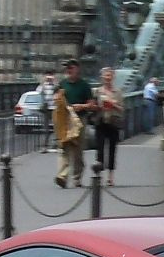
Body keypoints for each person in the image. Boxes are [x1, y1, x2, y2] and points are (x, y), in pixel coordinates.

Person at [52, 59, 94, 188]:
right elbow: (56, 99)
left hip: (79, 120)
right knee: (64, 147)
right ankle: (62, 176)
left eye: (71, 67)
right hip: (65, 119)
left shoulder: (84, 85)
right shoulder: (62, 84)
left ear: (77, 69)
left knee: (77, 150)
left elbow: (91, 104)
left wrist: (82, 106)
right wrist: (57, 98)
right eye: (67, 68)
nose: (68, 70)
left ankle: (77, 177)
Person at [93, 67, 124, 185]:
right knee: (99, 149)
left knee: (112, 150)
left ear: (113, 77)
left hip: (113, 123)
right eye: (105, 76)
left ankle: (110, 177)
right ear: (102, 77)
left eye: (109, 75)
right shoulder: (97, 91)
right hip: (100, 122)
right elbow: (93, 106)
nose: (107, 78)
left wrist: (113, 104)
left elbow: (122, 109)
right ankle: (98, 175)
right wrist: (98, 106)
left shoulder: (118, 92)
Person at [38, 72, 58, 152]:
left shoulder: (55, 86)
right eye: (48, 76)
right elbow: (39, 91)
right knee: (45, 128)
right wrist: (43, 82)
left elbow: (60, 90)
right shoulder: (43, 85)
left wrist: (55, 81)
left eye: (51, 76)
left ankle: (55, 144)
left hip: (54, 108)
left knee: (56, 127)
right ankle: (44, 146)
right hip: (46, 109)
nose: (49, 78)